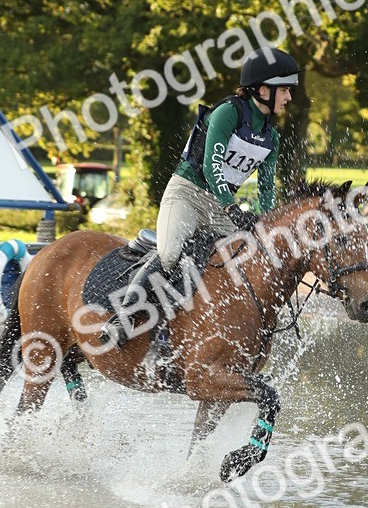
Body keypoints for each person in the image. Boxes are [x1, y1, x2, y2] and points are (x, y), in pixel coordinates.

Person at [101, 46, 299, 347]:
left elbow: (267, 188)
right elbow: (210, 165)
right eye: (284, 90)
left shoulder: (272, 137)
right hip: (187, 194)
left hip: (220, 207)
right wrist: (232, 206)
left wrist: (266, 224)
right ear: (262, 89)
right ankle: (122, 317)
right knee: (169, 255)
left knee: (245, 261)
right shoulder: (228, 113)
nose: (288, 98)